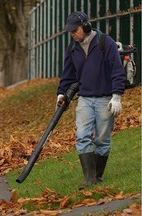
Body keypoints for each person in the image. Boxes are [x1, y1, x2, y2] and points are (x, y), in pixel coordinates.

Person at [57, 11, 126, 190]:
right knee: (82, 136)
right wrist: (61, 92)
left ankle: (98, 176)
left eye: (75, 30)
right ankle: (89, 179)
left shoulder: (105, 43)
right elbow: (68, 74)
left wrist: (117, 96)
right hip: (85, 99)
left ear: (86, 26)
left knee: (102, 139)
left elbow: (117, 71)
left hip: (105, 99)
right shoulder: (72, 48)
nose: (72, 34)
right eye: (70, 31)